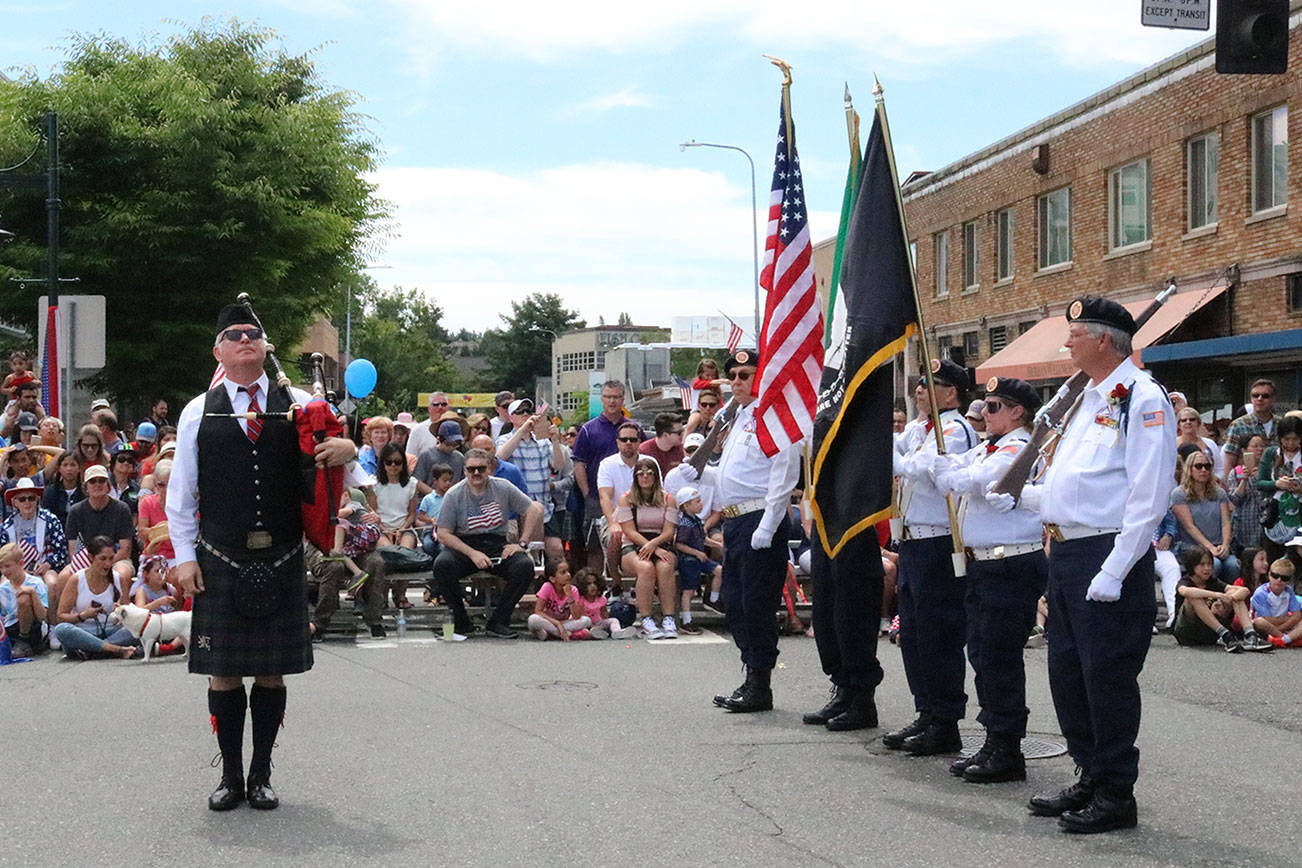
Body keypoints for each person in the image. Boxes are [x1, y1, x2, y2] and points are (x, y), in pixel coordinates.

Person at [167, 301, 361, 812]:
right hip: (220, 556)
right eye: (233, 334)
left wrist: (351, 450)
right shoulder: (196, 411)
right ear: (219, 350)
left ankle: (261, 773)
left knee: (271, 673)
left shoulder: (299, 402)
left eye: (252, 332)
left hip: (280, 555)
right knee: (224, 673)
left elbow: (349, 474)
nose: (245, 339)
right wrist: (184, 557)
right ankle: (230, 775)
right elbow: (181, 495)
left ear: (265, 345)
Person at [1014, 296, 1175, 834]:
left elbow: (1148, 495)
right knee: (1067, 673)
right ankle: (1088, 772)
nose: (1067, 342)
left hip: (1107, 555)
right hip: (1067, 552)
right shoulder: (1087, 398)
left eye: (1076, 333)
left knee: (1105, 678)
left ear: (1105, 340)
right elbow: (1081, 481)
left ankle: (1115, 792)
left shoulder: (1142, 399)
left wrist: (1116, 568)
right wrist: (1030, 497)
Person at [936, 377, 1048, 782]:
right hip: (984, 565)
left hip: (1010, 564)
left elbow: (966, 479)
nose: (985, 413)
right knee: (982, 655)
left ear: (1017, 411)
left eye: (994, 406)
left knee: (999, 657)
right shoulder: (988, 446)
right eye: (984, 405)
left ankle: (1007, 747)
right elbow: (952, 471)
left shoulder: (1019, 448)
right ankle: (993, 739)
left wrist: (945, 469)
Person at [701, 349, 802, 713]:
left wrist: (771, 522)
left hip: (759, 519)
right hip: (736, 521)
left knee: (756, 605)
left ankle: (761, 683)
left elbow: (784, 471)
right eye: (734, 375)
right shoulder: (742, 416)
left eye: (746, 375)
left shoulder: (775, 416)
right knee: (736, 602)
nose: (738, 382)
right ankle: (750, 675)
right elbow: (738, 470)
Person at [883, 358, 977, 753]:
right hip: (912, 540)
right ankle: (926, 711)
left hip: (940, 541)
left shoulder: (954, 429)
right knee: (914, 634)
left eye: (929, 384)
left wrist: (882, 439)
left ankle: (946, 719)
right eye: (919, 383)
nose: (919, 390)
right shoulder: (922, 428)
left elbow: (914, 469)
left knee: (939, 634)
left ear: (950, 392)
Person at [430, 447, 543, 639]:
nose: (476, 473)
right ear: (464, 470)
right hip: (464, 544)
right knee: (442, 565)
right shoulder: (454, 494)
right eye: (471, 469)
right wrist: (472, 553)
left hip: (496, 542)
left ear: (489, 468)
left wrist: (522, 543)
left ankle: (499, 621)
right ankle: (462, 622)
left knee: (524, 566)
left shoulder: (503, 486)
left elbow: (533, 510)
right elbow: (443, 533)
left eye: (481, 469)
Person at [571, 381, 642, 572]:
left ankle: (624, 589)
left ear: (623, 399)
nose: (612, 401)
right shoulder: (588, 429)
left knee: (631, 544)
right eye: (608, 397)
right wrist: (588, 493)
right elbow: (578, 464)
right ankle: (597, 590)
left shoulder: (633, 428)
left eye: (616, 397)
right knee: (594, 547)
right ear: (602, 399)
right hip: (598, 497)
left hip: (632, 498)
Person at [495, 397, 571, 561]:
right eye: (520, 412)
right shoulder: (505, 439)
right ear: (511, 417)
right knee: (529, 554)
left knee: (556, 549)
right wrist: (522, 431)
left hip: (545, 505)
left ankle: (553, 583)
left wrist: (556, 441)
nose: (525, 415)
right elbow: (499, 457)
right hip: (519, 509)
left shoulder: (542, 441)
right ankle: (534, 583)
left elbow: (557, 465)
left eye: (528, 411)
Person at [615, 456, 679, 639]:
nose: (645, 477)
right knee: (645, 568)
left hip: (660, 542)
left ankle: (668, 618)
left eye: (649, 474)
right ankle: (646, 618)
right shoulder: (626, 499)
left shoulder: (668, 499)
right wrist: (649, 546)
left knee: (665, 567)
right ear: (635, 477)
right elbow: (629, 530)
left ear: (656, 477)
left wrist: (655, 546)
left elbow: (668, 531)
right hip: (634, 545)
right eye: (640, 474)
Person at [49, 535, 137, 660]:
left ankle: (93, 650)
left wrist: (121, 613)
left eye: (111, 558)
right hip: (84, 632)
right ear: (91, 557)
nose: (107, 564)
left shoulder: (118, 579)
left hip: (110, 630)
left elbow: (129, 616)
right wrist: (83, 615)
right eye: (102, 559)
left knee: (134, 630)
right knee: (62, 630)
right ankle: (115, 649)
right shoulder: (77, 580)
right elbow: (61, 617)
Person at [1173, 545, 1268, 651]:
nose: (1207, 568)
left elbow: (1244, 590)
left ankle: (1250, 635)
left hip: (1210, 632)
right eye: (1202, 564)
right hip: (1187, 632)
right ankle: (1225, 634)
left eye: (1209, 564)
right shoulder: (1185, 581)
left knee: (1235, 596)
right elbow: (1185, 591)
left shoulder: (1213, 581)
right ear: (1192, 566)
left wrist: (1226, 599)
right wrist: (1217, 595)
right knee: (1193, 597)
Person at [61, 464, 134, 591]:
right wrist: (93, 565)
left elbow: (125, 549)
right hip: (86, 560)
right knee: (63, 577)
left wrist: (104, 563)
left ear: (108, 486)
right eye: (92, 481)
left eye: (102, 481)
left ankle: (121, 609)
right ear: (86, 488)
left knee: (122, 574)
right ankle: (63, 610)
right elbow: (73, 549)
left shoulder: (122, 509)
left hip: (116, 560)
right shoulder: (76, 511)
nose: (97, 484)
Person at [0, 477, 68, 610]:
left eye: (31, 498)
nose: (27, 503)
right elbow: (2, 556)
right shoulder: (7, 526)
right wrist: (15, 569)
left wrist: (48, 564)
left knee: (52, 583)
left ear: (37, 500)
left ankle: (51, 626)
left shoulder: (50, 519)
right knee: (3, 585)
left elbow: (62, 550)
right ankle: (9, 624)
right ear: (15, 502)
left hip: (45, 567)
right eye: (22, 499)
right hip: (15, 570)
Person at [1171, 452, 1237, 582]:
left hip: (1218, 545)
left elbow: (1225, 522)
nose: (1203, 470)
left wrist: (1225, 545)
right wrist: (1210, 548)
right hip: (1192, 548)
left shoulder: (1219, 493)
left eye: (1207, 466)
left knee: (1233, 565)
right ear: (1189, 469)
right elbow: (1190, 526)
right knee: (1214, 566)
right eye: (1199, 466)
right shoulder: (1179, 494)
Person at [595, 422, 641, 580]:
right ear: (618, 442)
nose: (629, 443)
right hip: (616, 517)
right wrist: (613, 522)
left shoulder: (649, 463)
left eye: (633, 440)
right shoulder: (607, 464)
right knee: (616, 536)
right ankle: (615, 580)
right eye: (624, 439)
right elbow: (604, 497)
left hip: (644, 518)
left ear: (639, 442)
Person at [1257, 415, 1302, 566]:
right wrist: (1277, 484)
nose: (1291, 443)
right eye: (1286, 439)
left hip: (1298, 512)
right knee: (1273, 559)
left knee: (1296, 559)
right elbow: (1260, 483)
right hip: (1275, 513)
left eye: (1295, 439)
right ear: (1280, 438)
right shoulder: (1271, 453)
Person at [673, 486, 717, 637]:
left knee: (719, 570)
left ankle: (714, 600)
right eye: (697, 502)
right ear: (686, 505)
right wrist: (696, 552)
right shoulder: (685, 523)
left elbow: (703, 539)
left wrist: (719, 545)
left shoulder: (697, 521)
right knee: (689, 591)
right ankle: (686, 620)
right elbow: (679, 544)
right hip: (689, 560)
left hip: (700, 557)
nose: (701, 504)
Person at [0, 541, 49, 656]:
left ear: (21, 564)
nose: (4, 571)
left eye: (7, 566)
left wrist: (32, 593)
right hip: (11, 627)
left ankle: (24, 641)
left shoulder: (36, 583)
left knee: (24, 598)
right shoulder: (3, 589)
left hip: (34, 628)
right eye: (1, 567)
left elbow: (42, 616)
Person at [527, 557, 591, 640]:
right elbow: (538, 611)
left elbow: (577, 616)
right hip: (549, 621)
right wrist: (557, 623)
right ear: (553, 579)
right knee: (533, 619)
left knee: (586, 620)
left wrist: (570, 597)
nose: (568, 575)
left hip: (564, 623)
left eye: (568, 571)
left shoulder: (573, 589)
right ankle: (561, 634)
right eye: (563, 573)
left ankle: (551, 633)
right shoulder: (547, 587)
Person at [1225, 379, 1282, 470]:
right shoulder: (1238, 425)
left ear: (1273, 399)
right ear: (1251, 399)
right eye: (1255, 396)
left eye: (1265, 396)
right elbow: (1229, 464)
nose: (1259, 399)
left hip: (1278, 481)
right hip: (1247, 481)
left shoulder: (1281, 424)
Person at [1251, 558, 1302, 647]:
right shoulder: (1261, 593)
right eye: (1275, 576)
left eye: (1284, 578)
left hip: (1281, 626)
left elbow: (1297, 616)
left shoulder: (1289, 591)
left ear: (1289, 580)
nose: (1279, 580)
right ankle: (1288, 638)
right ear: (1269, 575)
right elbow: (1267, 619)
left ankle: (1282, 640)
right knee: (1259, 622)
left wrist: (1281, 626)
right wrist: (1286, 620)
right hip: (1264, 626)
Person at [1228, 434, 1266, 553]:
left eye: (1262, 446)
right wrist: (1244, 480)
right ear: (1245, 450)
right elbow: (1234, 499)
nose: (1260, 449)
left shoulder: (1268, 471)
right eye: (1255, 446)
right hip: (1243, 526)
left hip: (1263, 525)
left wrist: (1258, 479)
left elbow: (1266, 499)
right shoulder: (1236, 472)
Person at [574, 569, 635, 639]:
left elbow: (604, 614)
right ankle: (596, 634)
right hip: (585, 624)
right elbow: (577, 616)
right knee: (585, 630)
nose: (593, 586)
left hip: (598, 622)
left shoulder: (601, 599)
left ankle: (617, 632)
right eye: (589, 584)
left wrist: (607, 621)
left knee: (614, 620)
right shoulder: (580, 599)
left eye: (595, 583)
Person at [414, 420, 465, 487]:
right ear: (439, 439)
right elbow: (417, 481)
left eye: (455, 445)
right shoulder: (427, 455)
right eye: (448, 444)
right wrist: (433, 495)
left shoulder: (459, 458)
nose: (451, 448)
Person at [40, 449, 84, 527]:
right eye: (65, 465)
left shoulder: (85, 492)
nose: (69, 469)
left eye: (73, 465)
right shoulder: (50, 493)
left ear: (79, 468)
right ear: (59, 468)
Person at [404, 391, 451, 459]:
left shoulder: (455, 428)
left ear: (448, 408)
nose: (440, 407)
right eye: (436, 404)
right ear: (429, 408)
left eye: (444, 404)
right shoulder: (418, 430)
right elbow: (409, 457)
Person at [638, 412, 686, 477]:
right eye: (679, 433)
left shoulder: (683, 450)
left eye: (683, 431)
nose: (683, 435)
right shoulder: (643, 452)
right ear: (665, 435)